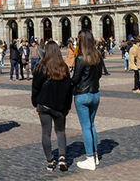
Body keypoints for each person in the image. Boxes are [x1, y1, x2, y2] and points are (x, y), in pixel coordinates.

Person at [32, 41, 72, 172]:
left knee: (46, 133)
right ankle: (62, 158)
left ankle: (50, 161)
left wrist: (35, 103)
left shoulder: (40, 67)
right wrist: (67, 106)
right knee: (60, 132)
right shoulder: (64, 67)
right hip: (60, 106)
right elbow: (68, 89)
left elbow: (35, 88)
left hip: (44, 104)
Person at [72, 30, 103, 171]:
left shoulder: (80, 58)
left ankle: (90, 158)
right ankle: (95, 156)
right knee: (91, 125)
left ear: (81, 40)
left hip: (82, 95)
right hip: (95, 94)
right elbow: (100, 74)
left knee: (85, 127)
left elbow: (76, 78)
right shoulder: (97, 55)